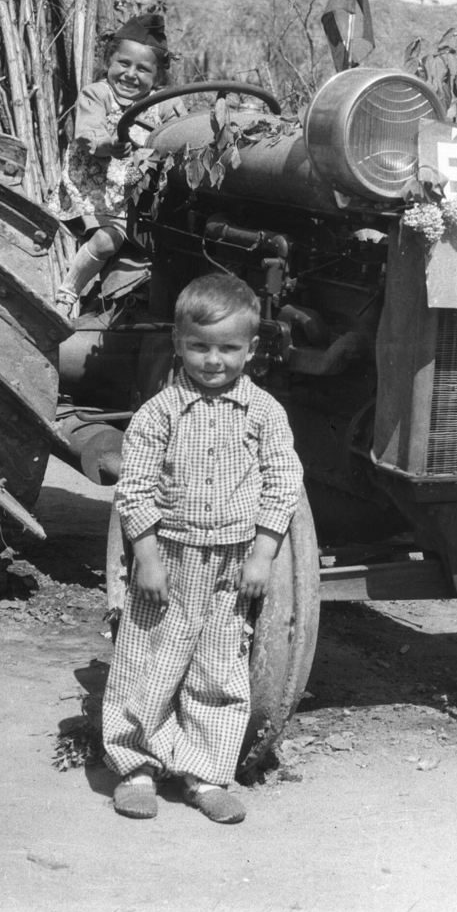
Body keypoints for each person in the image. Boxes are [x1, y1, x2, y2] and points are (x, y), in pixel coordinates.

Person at [101, 273, 303, 822]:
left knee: (218, 668)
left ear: (252, 349)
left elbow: (284, 482)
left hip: (230, 568)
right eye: (200, 346)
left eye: (229, 348)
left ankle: (203, 773)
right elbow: (135, 489)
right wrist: (145, 558)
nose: (214, 360)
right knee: (147, 662)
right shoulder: (158, 414)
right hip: (168, 560)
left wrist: (262, 555)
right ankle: (137, 767)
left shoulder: (264, 413)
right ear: (178, 343)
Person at [55, 12, 183, 314]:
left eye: (143, 69)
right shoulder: (97, 94)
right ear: (108, 63)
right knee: (106, 241)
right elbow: (87, 135)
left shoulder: (161, 100)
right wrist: (109, 145)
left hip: (137, 195)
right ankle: (66, 294)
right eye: (123, 64)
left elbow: (181, 130)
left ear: (157, 77)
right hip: (98, 189)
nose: (130, 74)